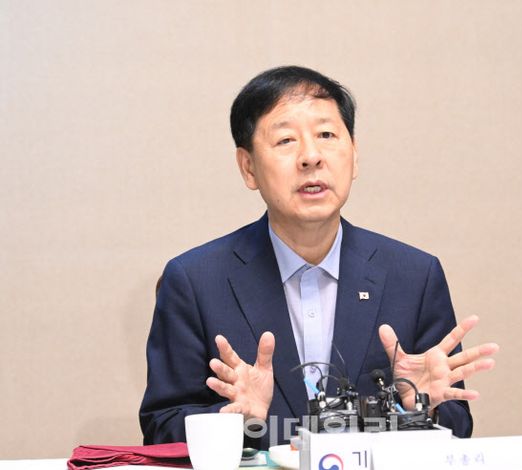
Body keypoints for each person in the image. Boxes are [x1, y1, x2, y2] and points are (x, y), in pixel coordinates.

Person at [139, 65, 499, 449]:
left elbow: (457, 425)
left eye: (326, 135)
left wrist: (420, 409)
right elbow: (161, 428)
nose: (311, 156)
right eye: (285, 140)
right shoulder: (195, 281)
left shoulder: (414, 276)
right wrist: (236, 422)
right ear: (248, 167)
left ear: (354, 156)